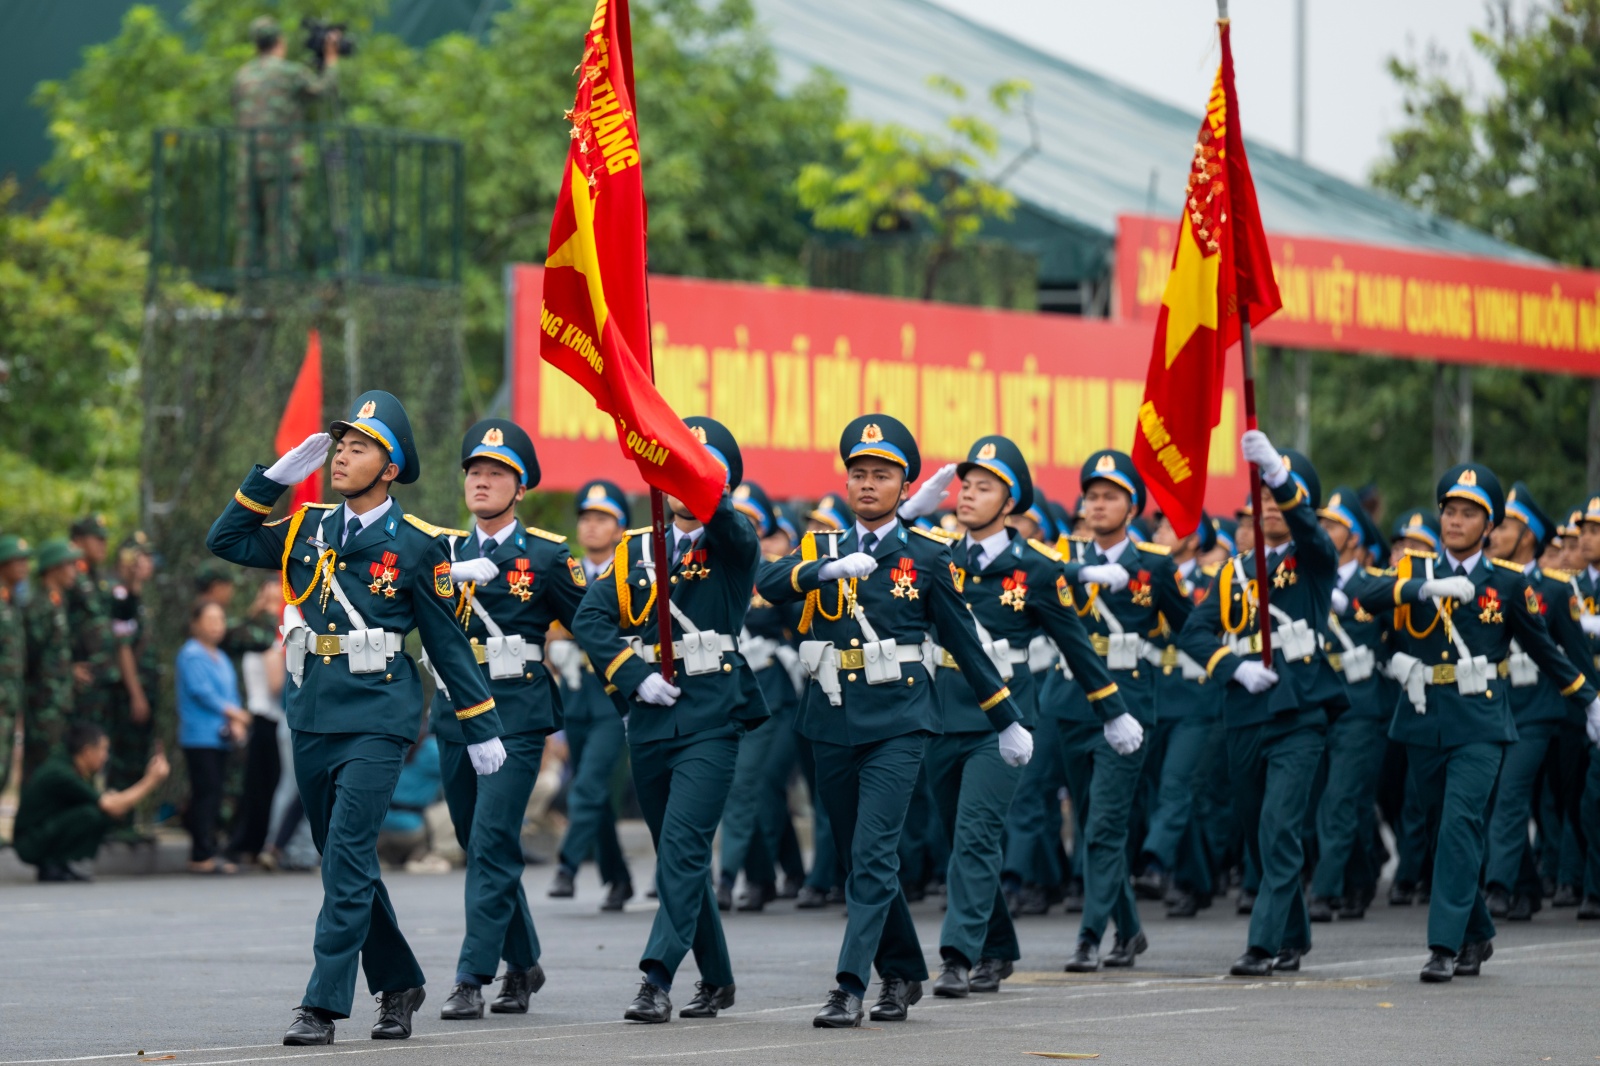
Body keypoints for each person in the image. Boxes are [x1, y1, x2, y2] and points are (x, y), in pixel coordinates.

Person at [207, 389, 505, 1045]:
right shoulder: (308, 527)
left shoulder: (420, 544)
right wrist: (270, 481)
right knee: (344, 863)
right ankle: (399, 981)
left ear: (391, 467)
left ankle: (322, 1004)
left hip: (380, 713)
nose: (342, 455)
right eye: (341, 445)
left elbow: (447, 643)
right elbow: (225, 539)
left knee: (345, 856)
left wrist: (480, 724)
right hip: (313, 710)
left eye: (360, 448)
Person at [755, 414, 1028, 1028]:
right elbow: (767, 583)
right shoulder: (820, 547)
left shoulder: (926, 555)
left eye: (883, 475)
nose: (869, 484)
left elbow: (965, 642)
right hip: (829, 718)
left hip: (901, 721)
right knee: (859, 858)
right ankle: (904, 970)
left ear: (904, 488)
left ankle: (851, 985)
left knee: (876, 853)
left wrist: (1006, 719)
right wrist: (822, 570)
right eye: (859, 474)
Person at [1349, 464, 1599, 982]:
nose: (1455, 521)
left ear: (1490, 526)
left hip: (1482, 719)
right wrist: (1420, 588)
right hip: (1422, 717)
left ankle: (1443, 944)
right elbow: (1364, 597)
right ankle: (1478, 931)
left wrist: (1590, 699)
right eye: (1450, 511)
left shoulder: (1506, 582)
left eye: (1469, 514)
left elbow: (1545, 650)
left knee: (1462, 823)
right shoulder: (1416, 569)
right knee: (1445, 831)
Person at [572, 417, 767, 1024]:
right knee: (676, 858)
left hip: (712, 719)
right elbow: (590, 620)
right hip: (653, 720)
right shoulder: (637, 547)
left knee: (682, 852)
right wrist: (632, 675)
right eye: (674, 467)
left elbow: (731, 528)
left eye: (696, 469)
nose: (682, 481)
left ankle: (656, 976)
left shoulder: (733, 540)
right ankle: (718, 977)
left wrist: (712, 490)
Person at [919, 436, 1128, 997]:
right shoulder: (937, 554)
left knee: (977, 836)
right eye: (966, 485)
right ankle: (998, 948)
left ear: (1009, 502)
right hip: (942, 716)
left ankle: (957, 956)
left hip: (1002, 723)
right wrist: (910, 511)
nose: (967, 495)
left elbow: (1077, 646)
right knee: (959, 839)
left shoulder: (1036, 568)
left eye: (984, 487)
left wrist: (1113, 712)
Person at [430, 419, 587, 1022]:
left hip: (516, 713)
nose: (482, 482)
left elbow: (590, 624)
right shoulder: (442, 551)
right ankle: (523, 963)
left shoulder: (546, 556)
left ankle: (473, 974)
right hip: (455, 714)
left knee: (493, 840)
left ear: (520, 488)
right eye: (475, 472)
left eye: (496, 473)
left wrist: (635, 679)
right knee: (478, 842)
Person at [1178, 431, 1345, 977]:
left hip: (1300, 714)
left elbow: (1316, 539)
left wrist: (1277, 471)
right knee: (1256, 831)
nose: (1268, 506)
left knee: (1278, 827)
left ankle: (1263, 943)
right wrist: (1233, 666)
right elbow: (1195, 634)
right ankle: (1294, 935)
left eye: (1279, 496)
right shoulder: (1234, 570)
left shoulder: (1315, 562)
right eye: (1263, 496)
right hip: (1246, 712)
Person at [1481, 483, 1591, 922]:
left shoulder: (1557, 589)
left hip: (1540, 713)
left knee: (1514, 797)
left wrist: (1592, 706)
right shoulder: (1485, 582)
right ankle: (1525, 885)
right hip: (1497, 707)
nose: (1496, 532)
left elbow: (1578, 659)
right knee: (1497, 798)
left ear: (1528, 536)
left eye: (1506, 524)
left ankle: (1498, 886)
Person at [1304, 491, 1393, 922]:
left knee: (1341, 799)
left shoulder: (1372, 584)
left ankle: (1323, 891)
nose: (1323, 531)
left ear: (1354, 538)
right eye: (1319, 524)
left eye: (1333, 525)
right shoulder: (1310, 582)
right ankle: (1360, 875)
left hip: (1361, 706)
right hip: (1318, 701)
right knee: (1338, 803)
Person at [717, 481, 805, 912]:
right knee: (746, 786)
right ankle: (768, 873)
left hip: (771, 694)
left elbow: (806, 624)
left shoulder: (771, 571)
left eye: (754, 521)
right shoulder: (708, 567)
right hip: (720, 690)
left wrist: (789, 651)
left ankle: (727, 878)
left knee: (752, 783)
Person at [548, 479, 636, 910]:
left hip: (613, 693)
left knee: (590, 784)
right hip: (575, 693)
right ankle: (618, 879)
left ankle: (567, 866)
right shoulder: (568, 571)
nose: (591, 527)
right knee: (594, 792)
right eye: (585, 518)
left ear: (621, 528)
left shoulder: (632, 572)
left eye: (602, 518)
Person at [233, 16, 341, 272]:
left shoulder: (242, 75)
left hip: (248, 165)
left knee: (248, 233)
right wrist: (332, 60)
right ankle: (278, 296)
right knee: (282, 232)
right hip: (281, 166)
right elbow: (322, 90)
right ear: (279, 42)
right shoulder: (290, 72)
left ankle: (246, 295)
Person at [14, 721, 169, 881]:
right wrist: (151, 780)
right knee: (92, 814)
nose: (106, 756)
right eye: (103, 750)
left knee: (98, 812)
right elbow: (111, 806)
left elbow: (113, 805)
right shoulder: (61, 773)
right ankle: (57, 863)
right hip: (29, 843)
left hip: (40, 835)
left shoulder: (74, 768)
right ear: (88, 751)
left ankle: (61, 864)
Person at [177, 599, 251, 873]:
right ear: (195, 624)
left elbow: (230, 693)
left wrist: (237, 722)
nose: (216, 626)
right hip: (199, 736)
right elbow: (202, 692)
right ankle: (200, 853)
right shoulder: (191, 654)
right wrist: (235, 713)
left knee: (216, 793)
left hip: (221, 737)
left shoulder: (221, 657)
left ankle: (208, 847)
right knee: (205, 793)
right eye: (210, 620)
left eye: (220, 620)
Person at [66, 516, 144, 744]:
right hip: (79, 682)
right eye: (97, 539)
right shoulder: (69, 578)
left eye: (105, 539)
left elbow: (122, 618)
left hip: (105, 680)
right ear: (77, 542)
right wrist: (68, 666)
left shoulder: (101, 579)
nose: (103, 545)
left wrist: (132, 582)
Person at [228, 578, 288, 863]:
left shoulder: (263, 631)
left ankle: (251, 843)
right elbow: (276, 683)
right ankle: (250, 843)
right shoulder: (265, 633)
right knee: (264, 786)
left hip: (267, 714)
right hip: (266, 716)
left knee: (263, 784)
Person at [106, 534, 159, 808]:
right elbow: (123, 648)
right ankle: (118, 819)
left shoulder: (137, 597)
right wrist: (136, 693)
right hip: (128, 690)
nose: (148, 564)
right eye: (142, 557)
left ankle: (129, 817)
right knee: (123, 755)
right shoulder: (121, 596)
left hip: (143, 686)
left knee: (138, 753)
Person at [23, 539, 80, 782]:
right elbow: (30, 655)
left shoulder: (58, 602)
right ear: (53, 568)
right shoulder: (40, 605)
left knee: (54, 765)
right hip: (43, 703)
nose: (74, 571)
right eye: (69, 565)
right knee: (41, 767)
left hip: (57, 701)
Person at [0, 534, 33, 795]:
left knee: (5, 766)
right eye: (18, 560)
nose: (24, 566)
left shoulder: (12, 602)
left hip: (10, 701)